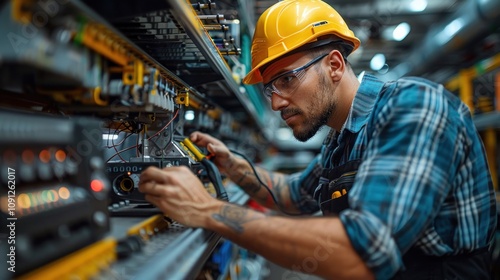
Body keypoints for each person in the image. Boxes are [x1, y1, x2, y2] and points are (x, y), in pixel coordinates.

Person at [138, 0, 498, 279]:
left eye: (287, 79)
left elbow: (362, 254)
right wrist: (232, 164)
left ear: (335, 65)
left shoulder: (416, 107)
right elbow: (294, 195)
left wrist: (209, 210)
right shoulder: (341, 138)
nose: (276, 101)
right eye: (270, 88)